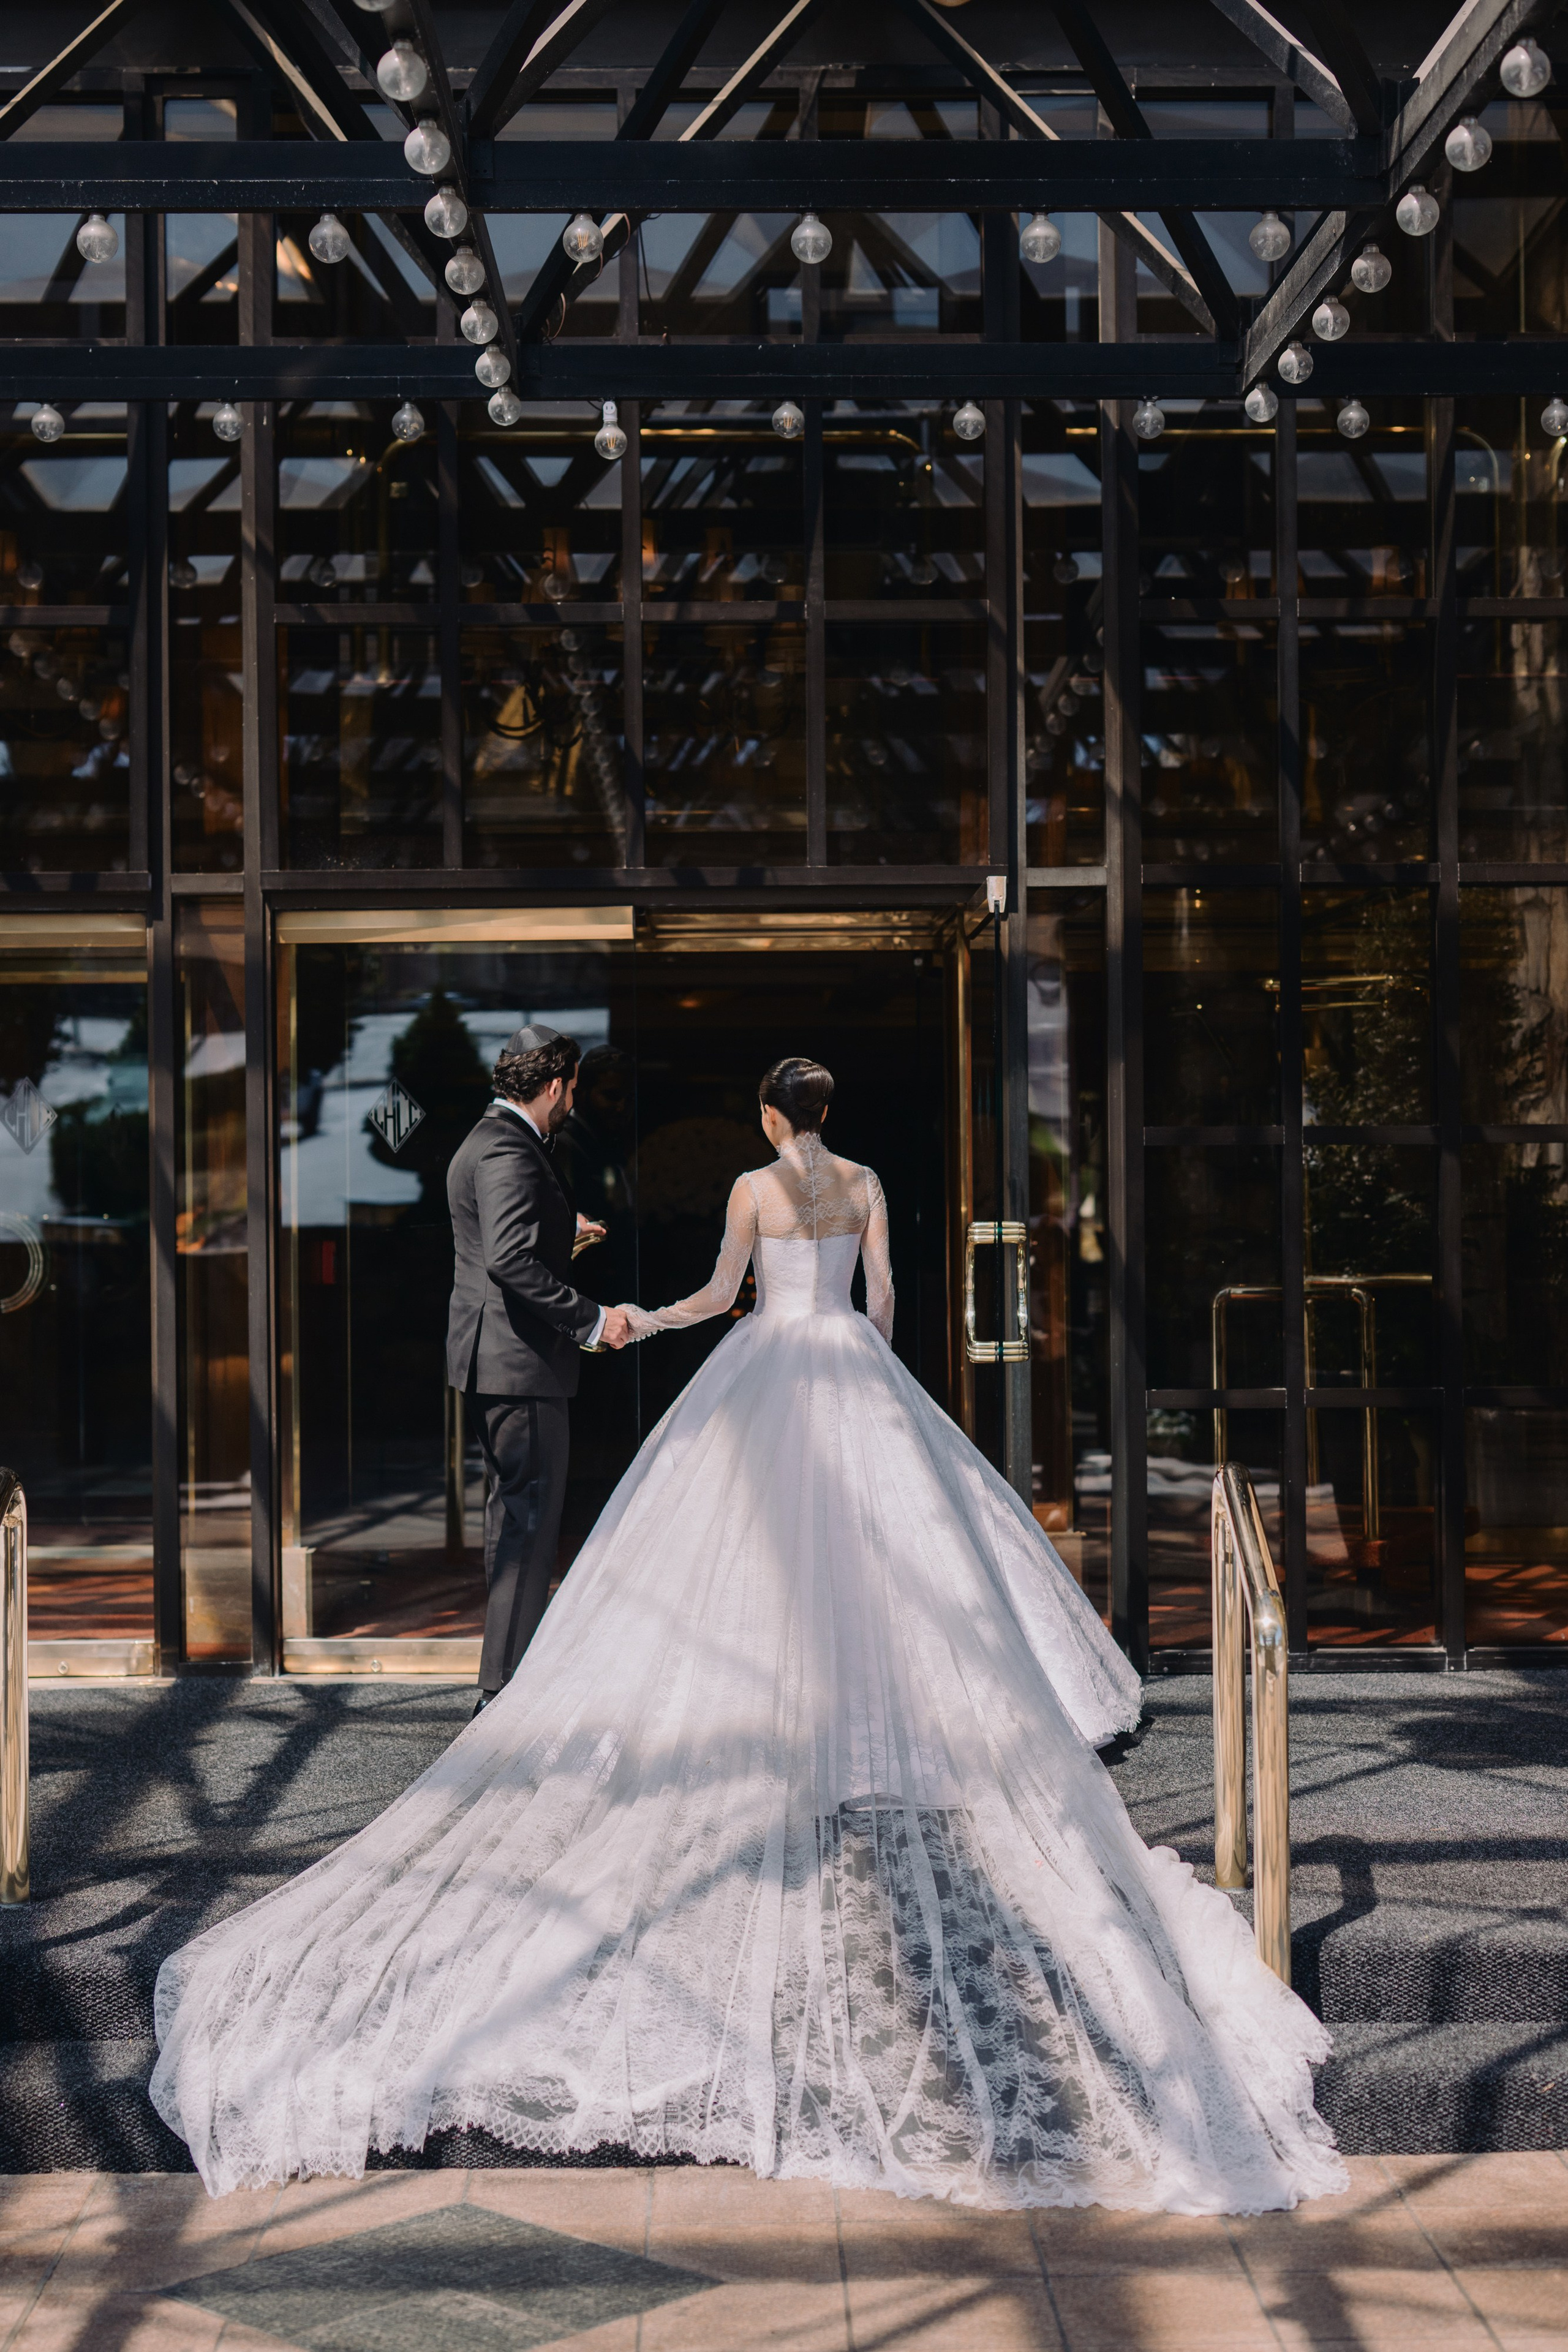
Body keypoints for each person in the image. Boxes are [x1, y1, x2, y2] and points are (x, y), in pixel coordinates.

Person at [150, 1055, 1345, 2215]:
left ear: (773, 1120)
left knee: (728, 1547)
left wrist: (646, 1320)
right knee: (892, 1548)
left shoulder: (753, 1190)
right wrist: (868, 1368)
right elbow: (881, 1299)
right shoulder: (865, 1184)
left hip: (766, 1367)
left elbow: (724, 1296)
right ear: (823, 1114)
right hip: (850, 1371)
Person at [442, 1023, 630, 1714]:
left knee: (514, 1520)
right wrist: (591, 1319)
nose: (575, 1100)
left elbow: (509, 1244)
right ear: (555, 1085)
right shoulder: (509, 1151)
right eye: (574, 1088)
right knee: (528, 1523)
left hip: (504, 1360)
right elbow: (509, 1262)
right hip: (518, 1364)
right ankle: (504, 1693)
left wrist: (563, 1232)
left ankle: (504, 1681)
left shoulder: (492, 1141)